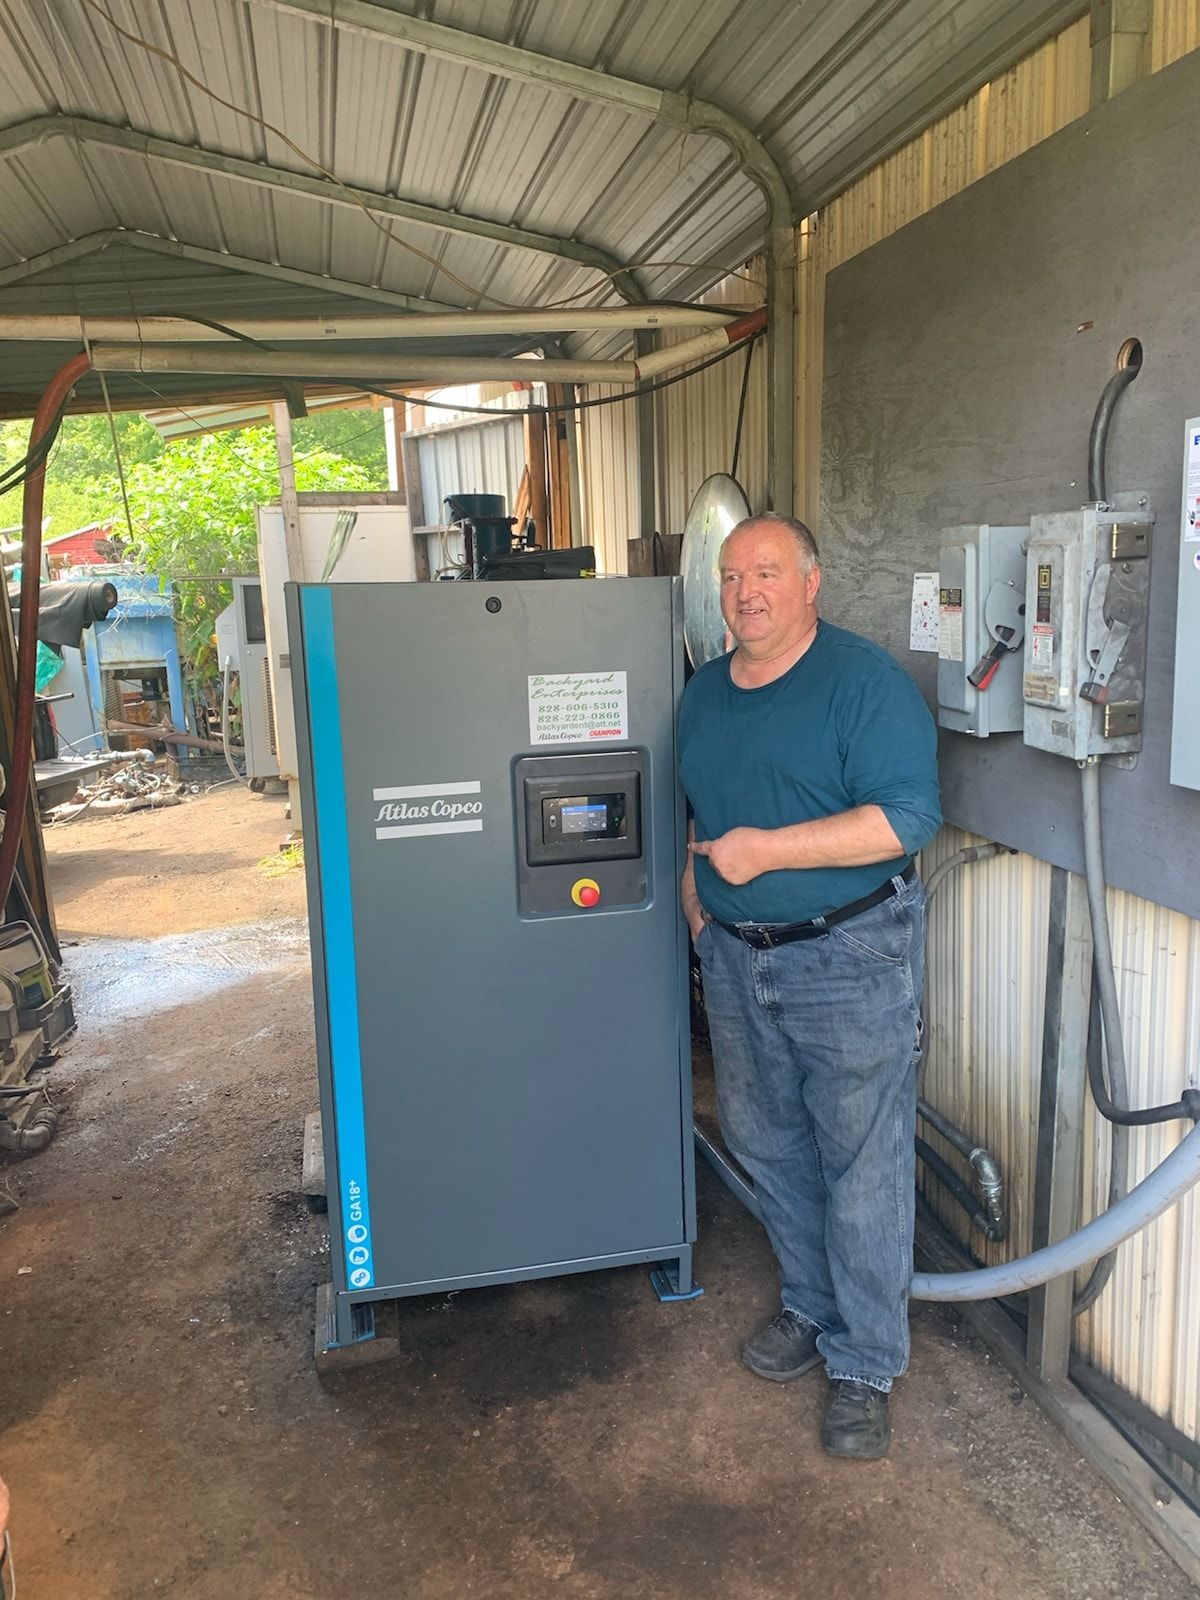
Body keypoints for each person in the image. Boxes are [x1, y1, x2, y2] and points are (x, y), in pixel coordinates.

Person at [679, 511, 941, 1460]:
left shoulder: (862, 682)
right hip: (736, 957)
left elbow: (906, 820)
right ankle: (811, 1303)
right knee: (766, 1141)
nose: (746, 592)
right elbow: (699, 811)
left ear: (810, 584)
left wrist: (765, 853)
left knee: (861, 1162)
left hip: (847, 955)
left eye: (767, 573)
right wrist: (698, 904)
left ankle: (865, 1364)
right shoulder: (705, 694)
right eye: (731, 576)